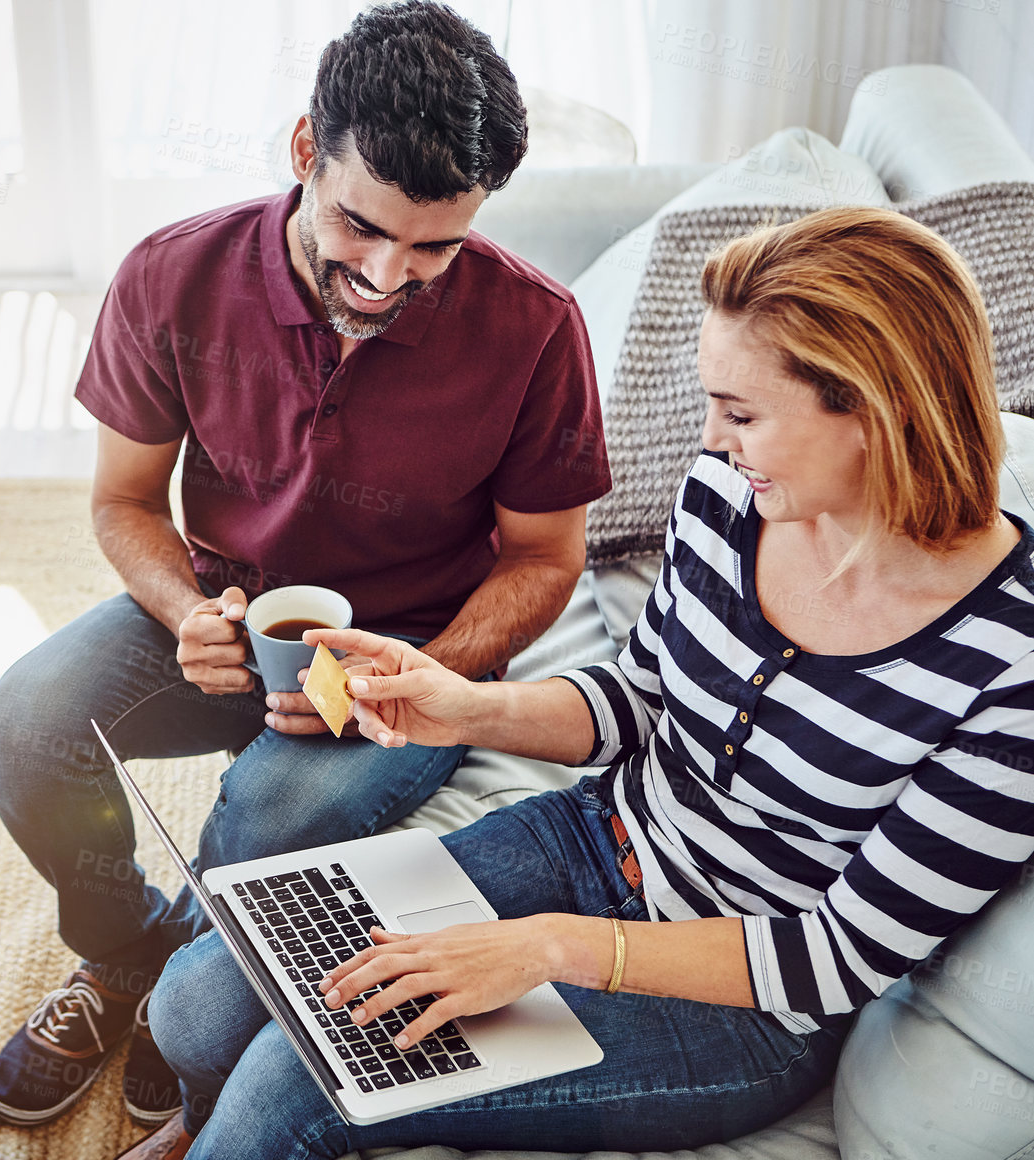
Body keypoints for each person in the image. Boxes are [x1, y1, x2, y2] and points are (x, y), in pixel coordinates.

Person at [139, 205, 1034, 1159]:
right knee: (195, 1005)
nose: (712, 438)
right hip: (590, 840)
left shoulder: (1009, 676)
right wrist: (468, 706)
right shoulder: (731, 498)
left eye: (740, 413)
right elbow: (643, 696)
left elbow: (834, 959)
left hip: (741, 1007)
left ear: (874, 406)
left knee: (293, 1081)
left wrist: (547, 947)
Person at [0, 0, 611, 1131]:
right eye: (359, 226)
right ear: (304, 150)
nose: (385, 275)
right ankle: (130, 951)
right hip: (223, 604)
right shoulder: (170, 277)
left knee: (262, 822)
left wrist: (428, 678)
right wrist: (183, 609)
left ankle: (186, 1006)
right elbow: (122, 500)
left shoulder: (535, 328)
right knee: (24, 721)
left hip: (412, 645)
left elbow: (544, 558)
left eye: (433, 246)